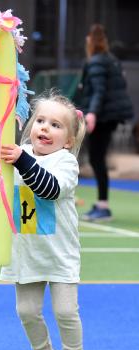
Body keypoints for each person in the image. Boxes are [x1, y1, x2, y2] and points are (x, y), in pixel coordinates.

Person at [0, 90, 86, 350]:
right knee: (26, 311)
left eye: (55, 125)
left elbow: (49, 188)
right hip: (25, 253)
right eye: (40, 120)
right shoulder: (20, 153)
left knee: (65, 311)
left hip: (59, 255)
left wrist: (21, 159)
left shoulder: (66, 162)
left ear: (68, 139)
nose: (44, 128)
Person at [79, 24, 134, 221]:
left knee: (96, 159)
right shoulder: (112, 61)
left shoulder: (96, 62)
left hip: (102, 117)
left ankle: (103, 206)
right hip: (110, 116)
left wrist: (92, 113)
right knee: (97, 158)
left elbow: (99, 91)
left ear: (90, 41)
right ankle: (102, 204)